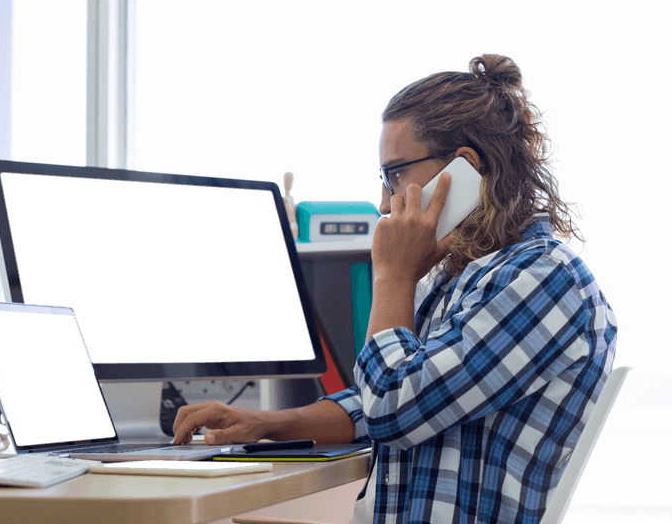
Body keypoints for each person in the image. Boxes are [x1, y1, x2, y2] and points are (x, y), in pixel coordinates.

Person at [172, 54, 618, 523]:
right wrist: (267, 423)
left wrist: (392, 276)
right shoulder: (460, 277)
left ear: (463, 169)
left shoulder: (543, 279)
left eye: (395, 174)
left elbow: (390, 407)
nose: (385, 202)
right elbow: (372, 401)